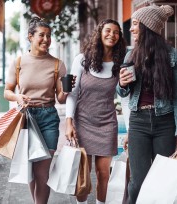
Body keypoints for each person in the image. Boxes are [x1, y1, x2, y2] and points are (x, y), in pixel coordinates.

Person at [116, 5, 177, 204]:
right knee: (138, 182)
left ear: (147, 27)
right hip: (139, 122)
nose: (131, 29)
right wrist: (121, 84)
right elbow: (123, 92)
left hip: (165, 123)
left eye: (135, 24)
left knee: (163, 180)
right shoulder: (131, 56)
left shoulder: (174, 57)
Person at [4, 16, 70, 204]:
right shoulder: (18, 63)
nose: (46, 40)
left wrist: (67, 90)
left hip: (48, 117)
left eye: (49, 36)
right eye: (41, 35)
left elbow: (60, 98)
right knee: (30, 171)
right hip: (25, 119)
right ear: (30, 37)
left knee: (43, 173)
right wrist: (17, 97)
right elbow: (7, 92)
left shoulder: (58, 64)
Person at [65, 19, 126, 204]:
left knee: (103, 173)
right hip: (82, 121)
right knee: (83, 172)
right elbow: (72, 94)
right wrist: (69, 122)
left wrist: (129, 129)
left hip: (107, 123)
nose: (112, 35)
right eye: (108, 30)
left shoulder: (120, 64)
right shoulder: (82, 60)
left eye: (116, 32)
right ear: (100, 33)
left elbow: (125, 98)